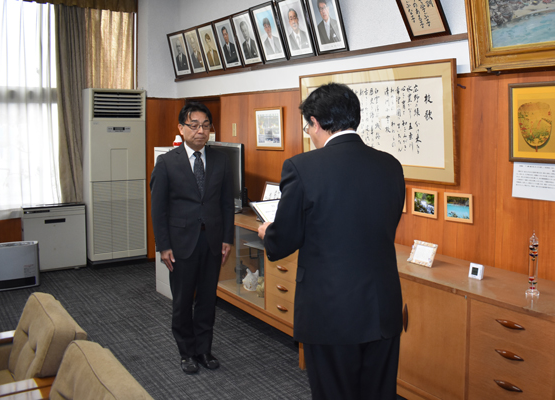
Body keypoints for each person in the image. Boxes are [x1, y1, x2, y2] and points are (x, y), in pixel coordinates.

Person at [257, 83, 405, 400]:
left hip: (331, 312)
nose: (309, 134)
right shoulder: (390, 165)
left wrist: (267, 231)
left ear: (316, 122)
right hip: (383, 309)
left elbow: (283, 240)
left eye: (308, 126)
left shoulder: (302, 168)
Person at [150, 102, 234, 375]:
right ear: (181, 128)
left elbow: (225, 203)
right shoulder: (166, 162)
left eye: (205, 125)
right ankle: (186, 352)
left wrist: (227, 238)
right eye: (194, 125)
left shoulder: (221, 159)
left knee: (208, 301)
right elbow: (158, 209)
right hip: (180, 244)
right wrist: (163, 246)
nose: (200, 131)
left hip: (211, 242)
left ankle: (204, 350)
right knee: (183, 301)